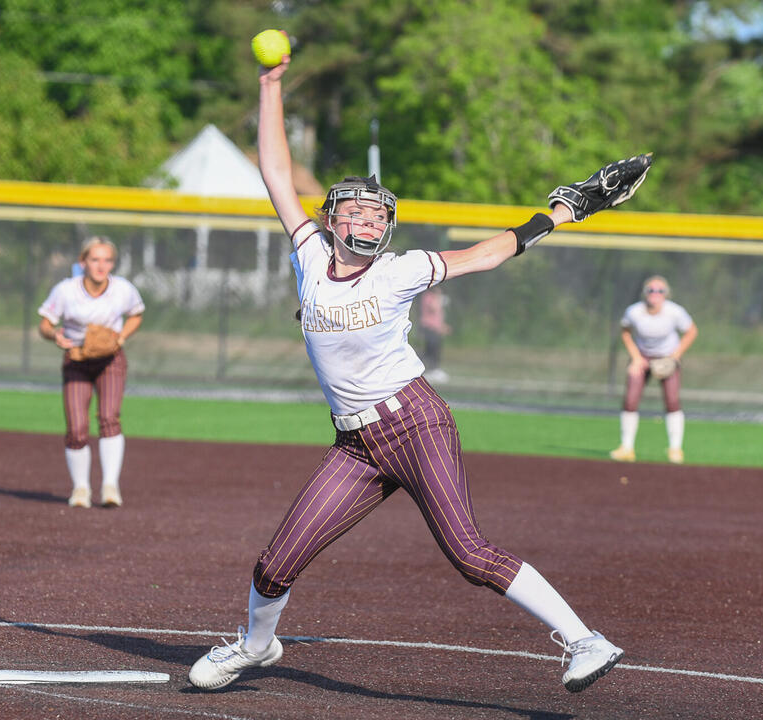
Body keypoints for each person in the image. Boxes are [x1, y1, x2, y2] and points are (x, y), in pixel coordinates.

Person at [188, 46, 651, 694]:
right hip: (356, 444)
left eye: (378, 213)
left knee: (469, 553)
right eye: (355, 209)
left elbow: (487, 255)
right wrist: (270, 84)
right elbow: (273, 168)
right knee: (274, 564)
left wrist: (563, 212)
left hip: (416, 424)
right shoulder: (309, 254)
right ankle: (255, 647)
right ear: (331, 217)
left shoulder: (400, 269)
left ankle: (586, 640)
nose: (367, 219)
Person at [38, 236, 145, 508]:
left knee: (109, 418)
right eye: (95, 259)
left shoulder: (122, 289)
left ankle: (110, 486)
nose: (101, 266)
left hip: (110, 359)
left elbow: (136, 314)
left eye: (107, 260)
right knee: (76, 428)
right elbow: (45, 324)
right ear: (82, 262)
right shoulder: (66, 290)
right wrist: (54, 336)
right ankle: (81, 488)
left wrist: (120, 338)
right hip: (77, 358)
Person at [609, 275, 697, 464]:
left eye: (660, 290)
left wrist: (675, 356)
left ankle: (675, 449)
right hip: (642, 357)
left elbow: (691, 331)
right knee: (630, 400)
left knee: (672, 401)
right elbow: (625, 331)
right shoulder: (634, 312)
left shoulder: (674, 312)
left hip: (667, 357)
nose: (655, 294)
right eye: (651, 290)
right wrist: (636, 358)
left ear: (666, 294)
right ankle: (627, 448)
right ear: (645, 293)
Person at [418, 285, 451, 383]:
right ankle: (431, 370)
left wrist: (442, 326)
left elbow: (438, 315)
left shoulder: (436, 298)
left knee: (435, 349)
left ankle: (434, 370)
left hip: (436, 328)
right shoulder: (428, 296)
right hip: (429, 327)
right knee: (430, 351)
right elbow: (433, 308)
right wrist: (438, 297)